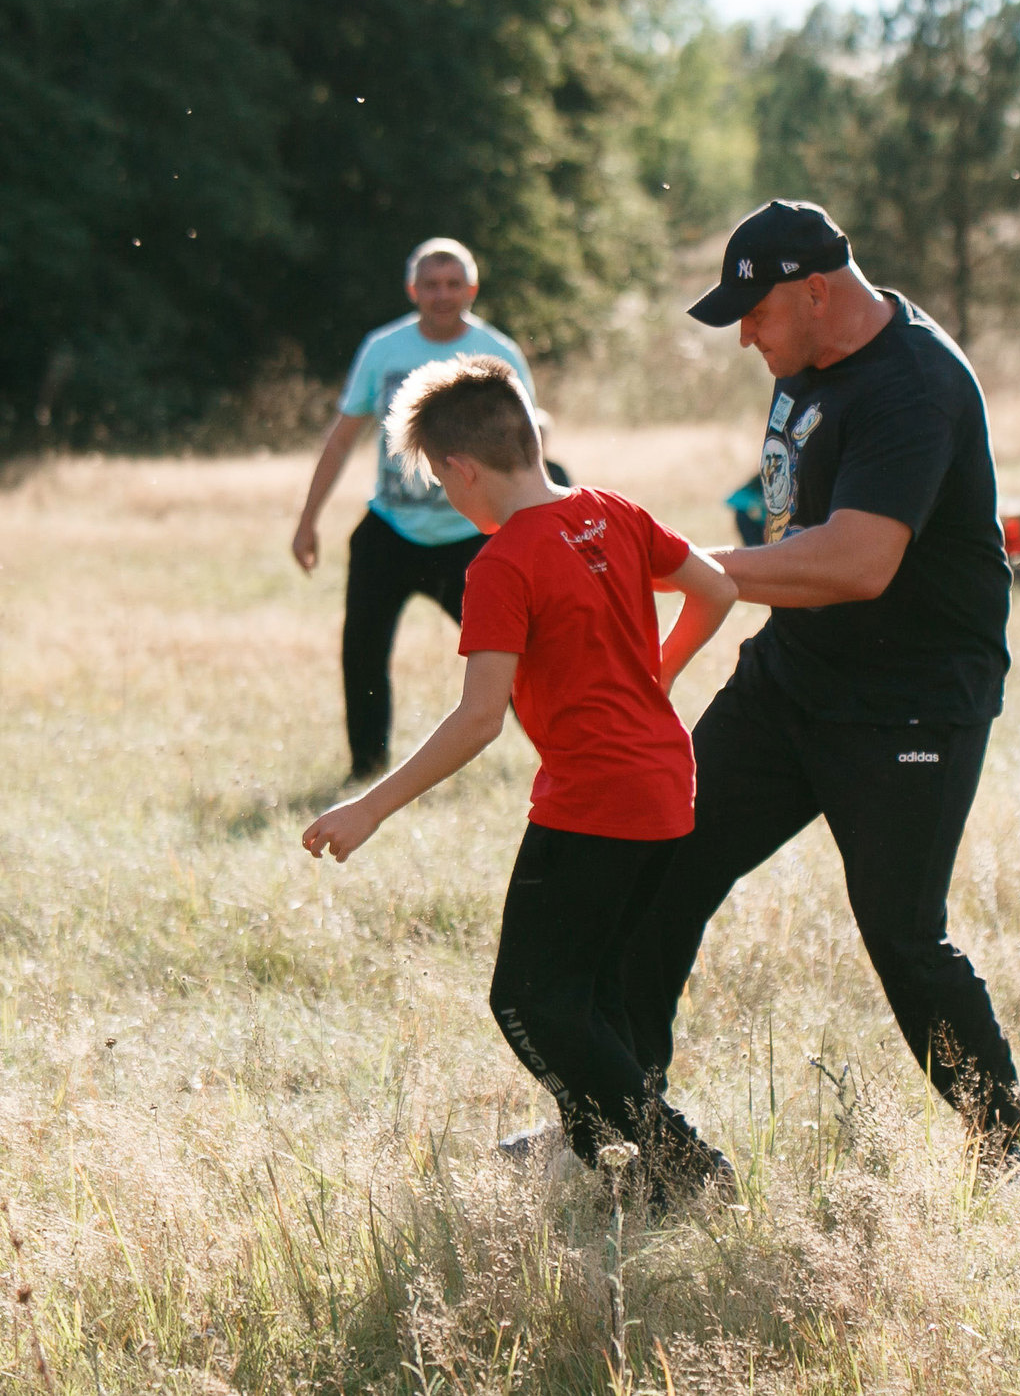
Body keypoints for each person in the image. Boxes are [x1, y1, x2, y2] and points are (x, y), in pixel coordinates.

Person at [619, 200, 1020, 1185]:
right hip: (795, 675)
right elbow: (792, 528)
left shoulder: (914, 387)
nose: (744, 334)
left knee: (901, 931)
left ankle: (1018, 1154)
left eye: (753, 314)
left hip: (910, 704)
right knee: (661, 861)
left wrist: (673, 567)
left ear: (816, 291)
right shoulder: (803, 367)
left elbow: (860, 560)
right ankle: (622, 1126)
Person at [301, 355, 740, 1204]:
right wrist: (660, 674)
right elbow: (716, 588)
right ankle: (613, 1157)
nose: (445, 493)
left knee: (529, 1002)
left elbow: (478, 717)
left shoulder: (500, 564)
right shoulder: (612, 511)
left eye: (437, 478)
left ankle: (685, 1166)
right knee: (594, 991)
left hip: (594, 800)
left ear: (462, 469)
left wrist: (371, 806)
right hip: (665, 784)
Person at [291, 240, 536, 779]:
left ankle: (559, 752)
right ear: (412, 290)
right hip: (392, 529)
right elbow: (340, 440)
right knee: (363, 653)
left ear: (472, 289)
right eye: (431, 284)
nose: (442, 294)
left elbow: (530, 444)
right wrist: (308, 520)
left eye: (454, 284)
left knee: (516, 659)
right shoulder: (383, 349)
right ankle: (367, 769)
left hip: (471, 533)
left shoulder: (499, 354)